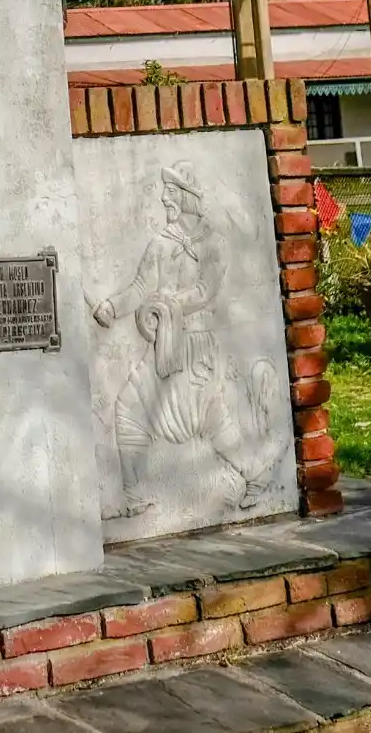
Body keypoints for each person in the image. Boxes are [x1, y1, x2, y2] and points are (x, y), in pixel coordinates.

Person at [93, 165, 276, 516]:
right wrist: (112, 307)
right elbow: (140, 288)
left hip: (194, 344)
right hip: (165, 343)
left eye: (172, 191)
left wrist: (168, 304)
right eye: (165, 191)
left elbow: (206, 291)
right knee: (130, 408)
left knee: (208, 413)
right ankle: (132, 497)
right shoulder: (161, 244)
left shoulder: (214, 244)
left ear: (189, 196)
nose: (164, 198)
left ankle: (256, 473)